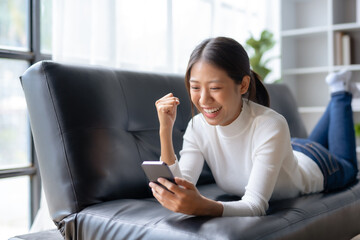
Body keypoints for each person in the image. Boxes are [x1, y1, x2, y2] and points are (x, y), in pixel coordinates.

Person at [150, 36, 359, 217]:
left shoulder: (271, 124)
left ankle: (340, 91)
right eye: (195, 87)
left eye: (214, 88)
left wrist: (203, 206)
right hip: (285, 151)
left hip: (318, 165)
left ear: (243, 85)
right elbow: (182, 184)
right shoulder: (197, 126)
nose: (203, 100)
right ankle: (338, 94)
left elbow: (255, 205)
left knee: (349, 166)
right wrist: (165, 130)